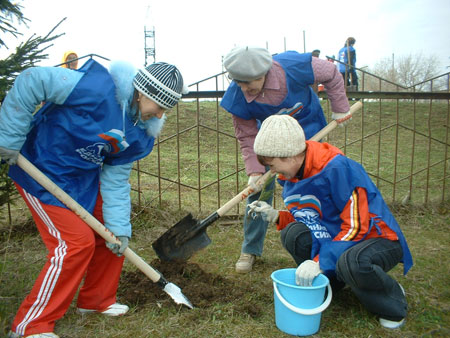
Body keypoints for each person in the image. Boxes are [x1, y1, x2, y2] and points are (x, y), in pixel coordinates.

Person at [0, 58, 186, 337]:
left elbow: (115, 179)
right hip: (41, 170)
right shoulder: (93, 87)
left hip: (81, 180)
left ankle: (96, 301)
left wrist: (120, 227)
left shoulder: (140, 134)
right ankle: (31, 325)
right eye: (160, 106)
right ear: (144, 93)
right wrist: (9, 138)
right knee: (75, 244)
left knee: (113, 234)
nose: (160, 115)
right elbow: (32, 80)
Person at [248, 114, 413, 329]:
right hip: (338, 234)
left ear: (289, 156)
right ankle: (331, 285)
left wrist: (318, 262)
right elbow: (315, 215)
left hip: (376, 238)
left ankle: (391, 300)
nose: (271, 171)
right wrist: (278, 216)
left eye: (272, 164)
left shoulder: (338, 169)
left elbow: (357, 226)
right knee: (293, 234)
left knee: (351, 262)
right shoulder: (293, 174)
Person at [220, 46, 352, 273]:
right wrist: (254, 171)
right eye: (237, 82)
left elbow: (331, 73)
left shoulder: (294, 66)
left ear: (263, 74)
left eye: (247, 83)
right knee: (259, 192)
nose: (242, 88)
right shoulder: (236, 96)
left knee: (316, 187)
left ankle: (331, 243)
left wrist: (340, 108)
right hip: (269, 141)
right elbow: (247, 136)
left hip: (309, 133)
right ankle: (250, 248)